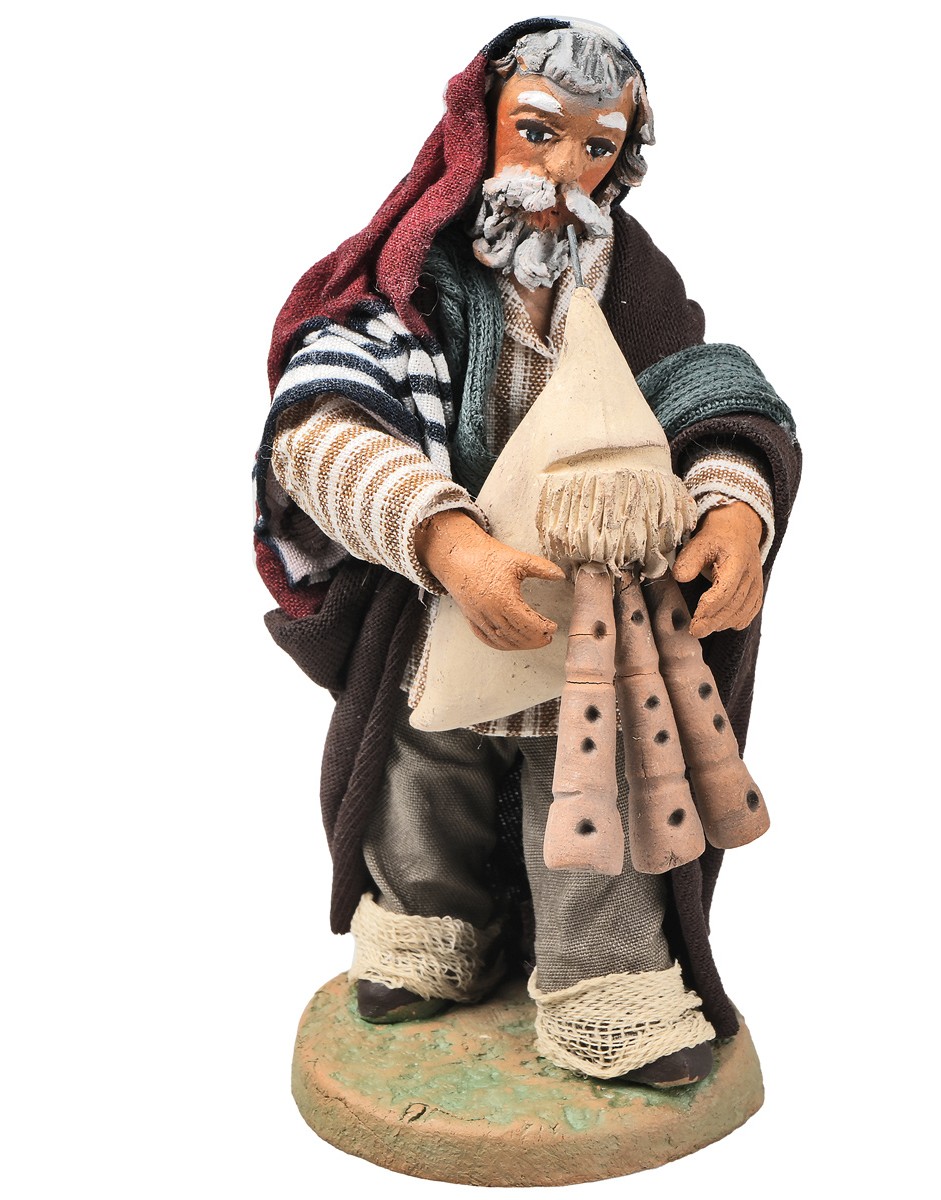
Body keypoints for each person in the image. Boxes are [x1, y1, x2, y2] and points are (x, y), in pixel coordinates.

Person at [254, 18, 800, 1087]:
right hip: (443, 608)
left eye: (597, 147)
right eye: (539, 133)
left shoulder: (632, 281)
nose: (563, 170)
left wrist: (732, 510)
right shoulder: (415, 278)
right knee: (422, 776)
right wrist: (446, 541)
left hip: (596, 625)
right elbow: (319, 426)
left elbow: (707, 392)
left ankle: (604, 988)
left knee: (597, 796)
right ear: (481, 129)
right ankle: (431, 928)